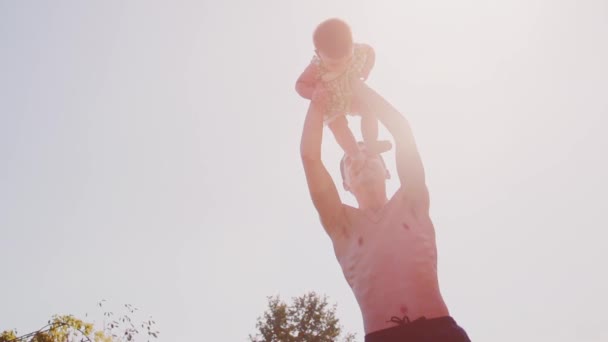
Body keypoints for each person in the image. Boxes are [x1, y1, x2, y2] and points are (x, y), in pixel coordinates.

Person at [299, 80, 471, 341]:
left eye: (369, 154)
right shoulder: (341, 224)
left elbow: (402, 130)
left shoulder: (412, 202)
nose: (360, 158)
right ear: (345, 184)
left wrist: (357, 87)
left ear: (387, 170)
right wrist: (318, 103)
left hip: (440, 331)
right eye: (350, 159)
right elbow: (310, 157)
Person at [296, 18, 384, 161]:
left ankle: (371, 142)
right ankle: (355, 154)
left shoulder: (358, 49)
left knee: (369, 109)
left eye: (348, 59)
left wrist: (367, 68)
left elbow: (370, 52)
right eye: (335, 64)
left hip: (351, 94)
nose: (343, 65)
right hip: (331, 100)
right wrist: (313, 93)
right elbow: (300, 84)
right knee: (338, 126)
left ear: (352, 44)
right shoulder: (316, 66)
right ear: (319, 54)